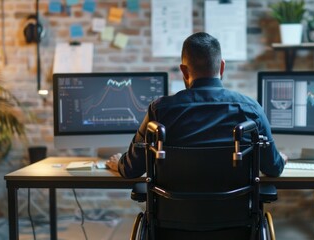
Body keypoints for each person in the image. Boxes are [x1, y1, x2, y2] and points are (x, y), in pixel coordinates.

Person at [106, 32, 287, 177]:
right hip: (238, 220)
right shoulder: (251, 110)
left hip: (171, 219)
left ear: (184, 70)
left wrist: (118, 164)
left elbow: (132, 169)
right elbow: (273, 168)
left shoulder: (159, 111)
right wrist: (281, 160)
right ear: (222, 67)